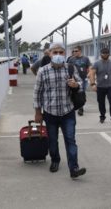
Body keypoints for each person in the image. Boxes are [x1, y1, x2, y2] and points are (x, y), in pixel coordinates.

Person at [33, 42, 86, 179]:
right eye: (55, 52)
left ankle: (74, 168)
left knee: (70, 140)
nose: (58, 55)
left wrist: (76, 85)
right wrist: (38, 112)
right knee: (52, 140)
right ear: (49, 54)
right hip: (50, 113)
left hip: (68, 112)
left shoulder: (70, 68)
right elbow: (37, 93)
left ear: (65, 53)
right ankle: (55, 160)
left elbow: (81, 85)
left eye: (60, 52)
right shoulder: (42, 71)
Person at [89, 47, 111, 124]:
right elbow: (92, 74)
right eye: (103, 53)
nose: (105, 54)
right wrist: (93, 84)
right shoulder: (96, 63)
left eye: (107, 53)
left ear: (109, 54)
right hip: (100, 87)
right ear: (101, 54)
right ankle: (102, 116)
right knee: (101, 102)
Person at [67, 46, 92, 116]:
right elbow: (67, 67)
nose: (74, 52)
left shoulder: (85, 58)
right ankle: (78, 107)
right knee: (76, 92)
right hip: (75, 80)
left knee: (82, 92)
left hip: (84, 79)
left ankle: (81, 105)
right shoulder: (71, 59)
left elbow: (89, 66)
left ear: (80, 51)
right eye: (74, 51)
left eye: (76, 51)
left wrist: (89, 73)